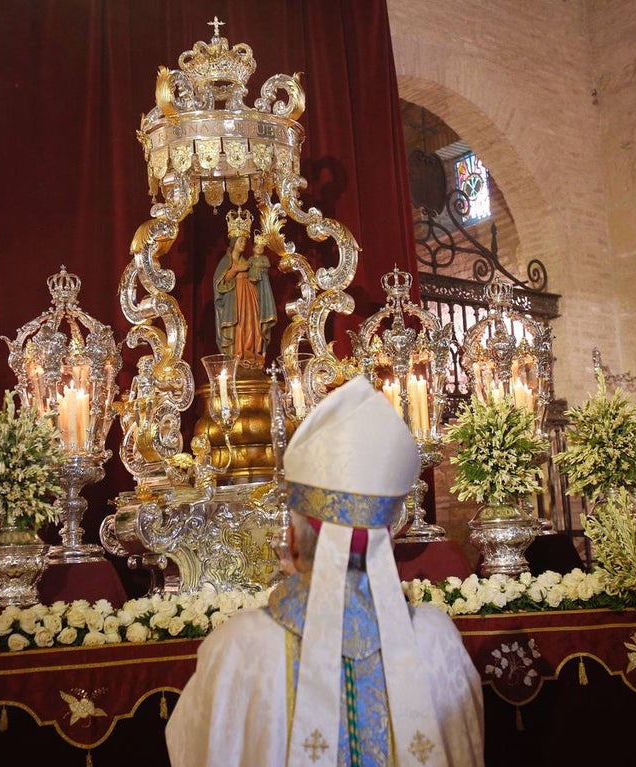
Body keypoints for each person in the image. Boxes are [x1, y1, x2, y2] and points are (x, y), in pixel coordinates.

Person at [166, 376, 484, 766]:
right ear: (385, 536)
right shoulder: (437, 644)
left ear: (292, 541)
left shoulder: (239, 650)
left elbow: (192, 750)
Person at [213, 207, 276, 368]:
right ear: (234, 242)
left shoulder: (249, 261)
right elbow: (219, 282)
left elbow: (258, 275)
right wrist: (236, 270)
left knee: (252, 324)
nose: (243, 244)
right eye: (240, 241)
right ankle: (238, 356)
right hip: (235, 299)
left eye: (244, 241)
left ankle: (252, 355)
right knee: (239, 325)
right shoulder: (226, 262)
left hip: (250, 296)